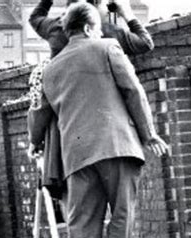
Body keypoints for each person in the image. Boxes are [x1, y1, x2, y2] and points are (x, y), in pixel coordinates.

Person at [27, 3, 168, 238]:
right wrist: (149, 134)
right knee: (122, 216)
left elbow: (40, 112)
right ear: (90, 28)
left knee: (81, 226)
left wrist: (34, 142)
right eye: (100, 29)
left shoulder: (49, 69)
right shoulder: (107, 47)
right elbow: (132, 91)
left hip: (76, 157)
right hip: (117, 147)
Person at [28, 0, 155, 202]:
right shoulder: (106, 33)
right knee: (121, 208)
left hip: (66, 126)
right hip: (106, 129)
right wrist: (126, 13)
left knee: (74, 200)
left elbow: (34, 18)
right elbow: (145, 43)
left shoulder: (56, 28)